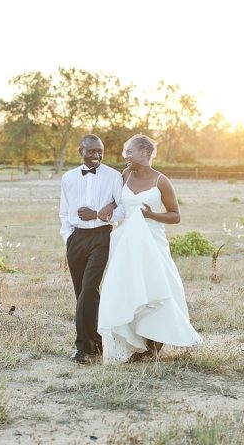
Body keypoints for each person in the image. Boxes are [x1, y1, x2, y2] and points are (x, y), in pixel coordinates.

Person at [98, 134, 202, 363]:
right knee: (130, 288)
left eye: (130, 152)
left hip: (153, 241)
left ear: (145, 153)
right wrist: (110, 205)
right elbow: (119, 200)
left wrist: (151, 214)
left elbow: (176, 216)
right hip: (126, 243)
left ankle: (154, 346)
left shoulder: (161, 181)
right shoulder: (125, 175)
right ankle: (134, 342)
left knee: (158, 287)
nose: (126, 156)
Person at [59, 134, 123, 364]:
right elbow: (64, 213)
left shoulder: (114, 176)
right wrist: (68, 239)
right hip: (76, 238)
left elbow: (123, 209)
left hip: (101, 236)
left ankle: (82, 348)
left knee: (89, 289)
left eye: (100, 151)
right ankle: (95, 341)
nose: (96, 155)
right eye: (91, 151)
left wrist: (98, 214)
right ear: (81, 151)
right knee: (83, 294)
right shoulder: (68, 178)